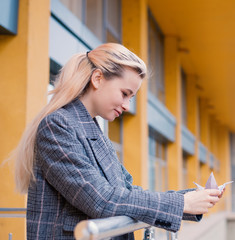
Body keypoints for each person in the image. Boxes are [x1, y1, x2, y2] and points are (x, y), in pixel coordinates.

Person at [13, 43, 222, 239]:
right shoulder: (57, 126)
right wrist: (181, 203)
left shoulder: (94, 132)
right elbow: (101, 199)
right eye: (124, 94)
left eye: (130, 98)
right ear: (97, 79)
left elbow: (128, 193)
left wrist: (191, 198)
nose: (127, 106)